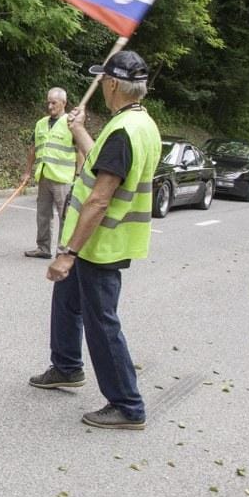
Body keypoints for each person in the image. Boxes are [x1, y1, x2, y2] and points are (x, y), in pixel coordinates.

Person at [28, 50, 162, 430]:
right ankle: (67, 366)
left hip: (100, 244)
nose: (101, 85)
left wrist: (68, 252)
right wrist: (79, 130)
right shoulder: (138, 124)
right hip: (98, 241)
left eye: (103, 79)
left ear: (114, 84)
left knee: (102, 321)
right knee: (67, 299)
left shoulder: (123, 132)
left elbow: (100, 197)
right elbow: (97, 162)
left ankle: (127, 405)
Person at [21, 88, 82, 258]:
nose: (50, 106)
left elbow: (80, 151)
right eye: (48, 102)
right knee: (43, 215)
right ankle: (43, 248)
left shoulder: (71, 123)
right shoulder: (41, 123)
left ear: (64, 103)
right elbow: (33, 149)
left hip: (63, 179)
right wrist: (27, 172)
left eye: (54, 103)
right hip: (44, 176)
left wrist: (79, 175)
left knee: (65, 217)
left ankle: (63, 251)